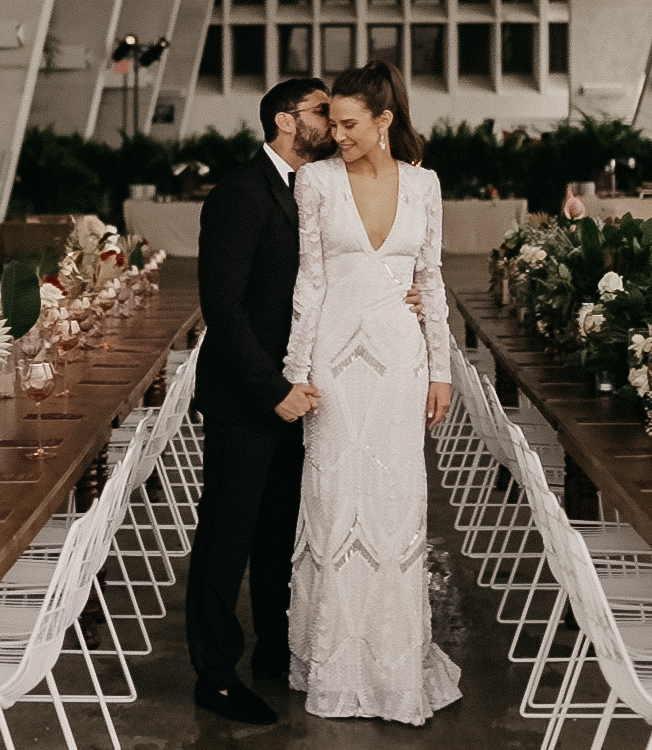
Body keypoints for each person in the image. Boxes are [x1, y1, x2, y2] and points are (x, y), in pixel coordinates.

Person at [187, 77, 426, 724]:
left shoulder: (319, 185)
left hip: (307, 384)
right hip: (249, 390)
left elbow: (337, 274)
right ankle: (214, 675)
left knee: (277, 532)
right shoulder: (241, 194)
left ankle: (275, 650)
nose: (335, 122)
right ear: (288, 121)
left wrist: (391, 295)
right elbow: (224, 309)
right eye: (324, 112)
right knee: (227, 536)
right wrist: (274, 390)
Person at [280, 59, 463, 724]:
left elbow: (432, 279)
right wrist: (297, 371)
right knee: (333, 504)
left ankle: (394, 667)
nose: (336, 132)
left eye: (350, 122)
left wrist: (441, 367)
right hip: (334, 362)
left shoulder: (425, 186)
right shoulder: (315, 180)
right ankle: (332, 663)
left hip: (401, 362)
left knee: (395, 504)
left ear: (384, 121)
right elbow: (311, 281)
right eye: (331, 120)